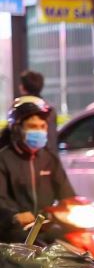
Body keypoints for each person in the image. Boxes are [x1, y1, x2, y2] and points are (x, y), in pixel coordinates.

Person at [0, 96, 75, 242]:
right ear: (16, 128)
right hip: (14, 233)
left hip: (45, 226)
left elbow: (67, 195)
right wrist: (13, 217)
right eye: (33, 127)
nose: (39, 132)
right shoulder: (3, 159)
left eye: (43, 127)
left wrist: (79, 207)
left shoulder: (49, 159)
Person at [18, 70, 59, 153]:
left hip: (27, 159)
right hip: (49, 158)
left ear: (22, 87)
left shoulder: (20, 110)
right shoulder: (49, 109)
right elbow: (52, 139)